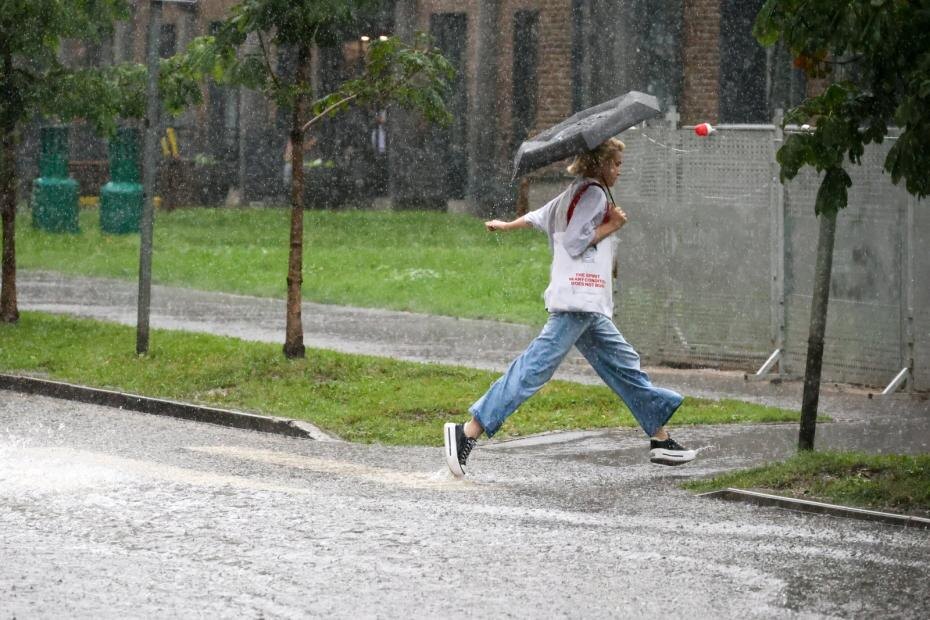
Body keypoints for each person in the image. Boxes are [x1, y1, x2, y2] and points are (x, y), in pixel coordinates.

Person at [443, 137, 697, 478]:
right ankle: (468, 430)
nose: (620, 170)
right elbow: (576, 242)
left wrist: (508, 225)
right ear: (601, 164)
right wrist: (613, 225)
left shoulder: (577, 191)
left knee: (624, 366)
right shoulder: (592, 194)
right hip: (578, 302)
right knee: (535, 368)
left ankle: (660, 439)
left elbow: (538, 216)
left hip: (587, 306)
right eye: (617, 164)